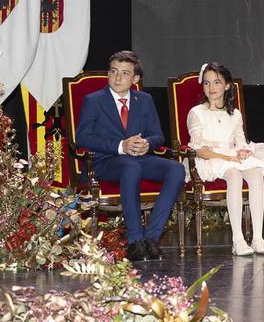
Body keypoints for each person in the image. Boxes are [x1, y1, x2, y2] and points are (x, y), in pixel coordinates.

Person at [76, 51, 186, 262]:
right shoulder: (94, 100)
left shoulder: (144, 100)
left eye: (125, 73)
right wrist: (120, 146)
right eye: (114, 72)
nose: (117, 78)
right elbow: (82, 138)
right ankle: (135, 241)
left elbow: (158, 135)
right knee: (130, 167)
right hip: (105, 162)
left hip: (139, 158)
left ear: (135, 79)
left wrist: (147, 144)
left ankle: (151, 238)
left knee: (176, 168)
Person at [186, 62, 264, 256]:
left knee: (255, 174)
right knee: (234, 175)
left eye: (217, 82)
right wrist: (229, 157)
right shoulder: (197, 113)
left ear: (227, 85)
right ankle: (238, 239)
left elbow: (240, 141)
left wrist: (243, 152)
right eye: (206, 83)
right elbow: (200, 150)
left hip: (231, 156)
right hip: (210, 159)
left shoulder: (234, 114)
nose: (211, 88)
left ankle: (258, 238)